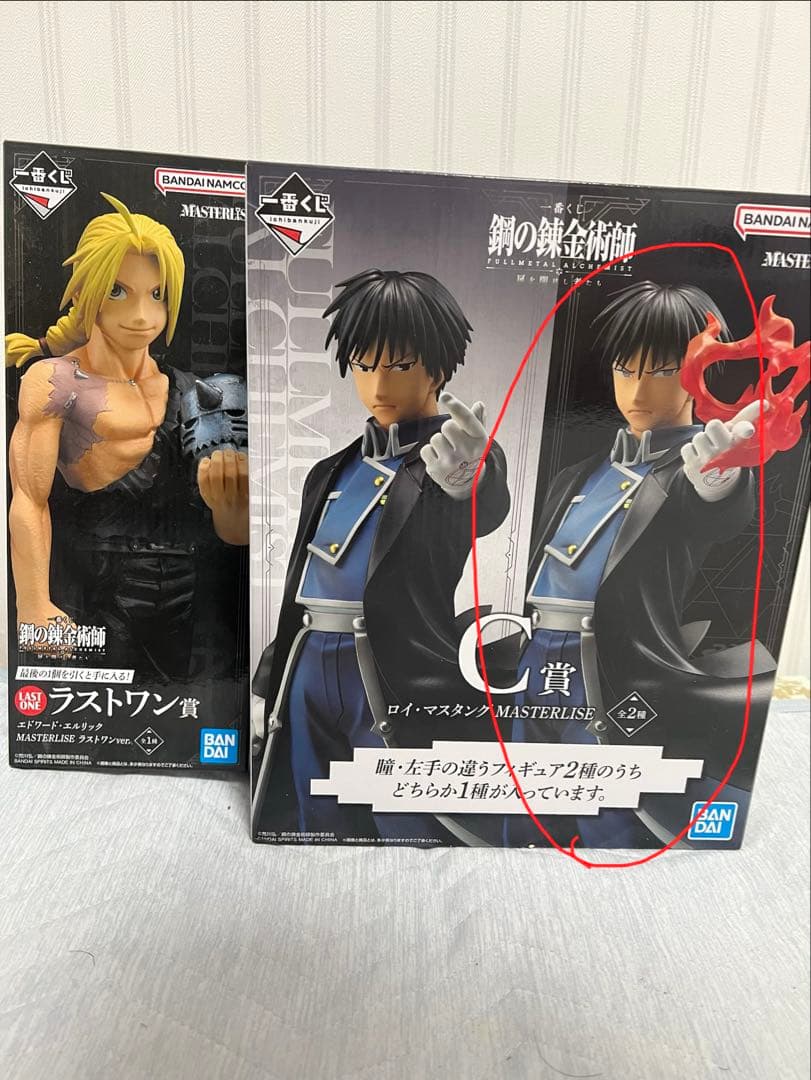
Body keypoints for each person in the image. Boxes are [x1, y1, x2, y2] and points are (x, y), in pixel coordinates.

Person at [509, 280, 775, 847]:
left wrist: (720, 482)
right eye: (625, 370)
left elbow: (716, 514)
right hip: (539, 659)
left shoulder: (689, 470)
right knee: (524, 813)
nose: (637, 389)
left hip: (615, 670)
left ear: (700, 373)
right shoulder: (575, 476)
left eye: (661, 371)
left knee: (614, 820)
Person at [252, 268, 511, 844]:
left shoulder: (452, 458)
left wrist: (469, 477)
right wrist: (272, 676)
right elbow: (300, 579)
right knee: (310, 814)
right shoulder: (329, 470)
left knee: (409, 823)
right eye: (364, 365)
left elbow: (484, 505)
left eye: (399, 365)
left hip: (392, 667)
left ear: (437, 368)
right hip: (307, 660)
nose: (378, 383)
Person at [6, 193, 248, 679]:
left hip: (187, 589)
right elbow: (29, 498)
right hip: (97, 589)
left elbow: (232, 534)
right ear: (86, 292)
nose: (142, 313)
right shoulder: (56, 382)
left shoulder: (197, 392)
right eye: (118, 291)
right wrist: (32, 605)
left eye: (157, 294)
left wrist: (230, 509)